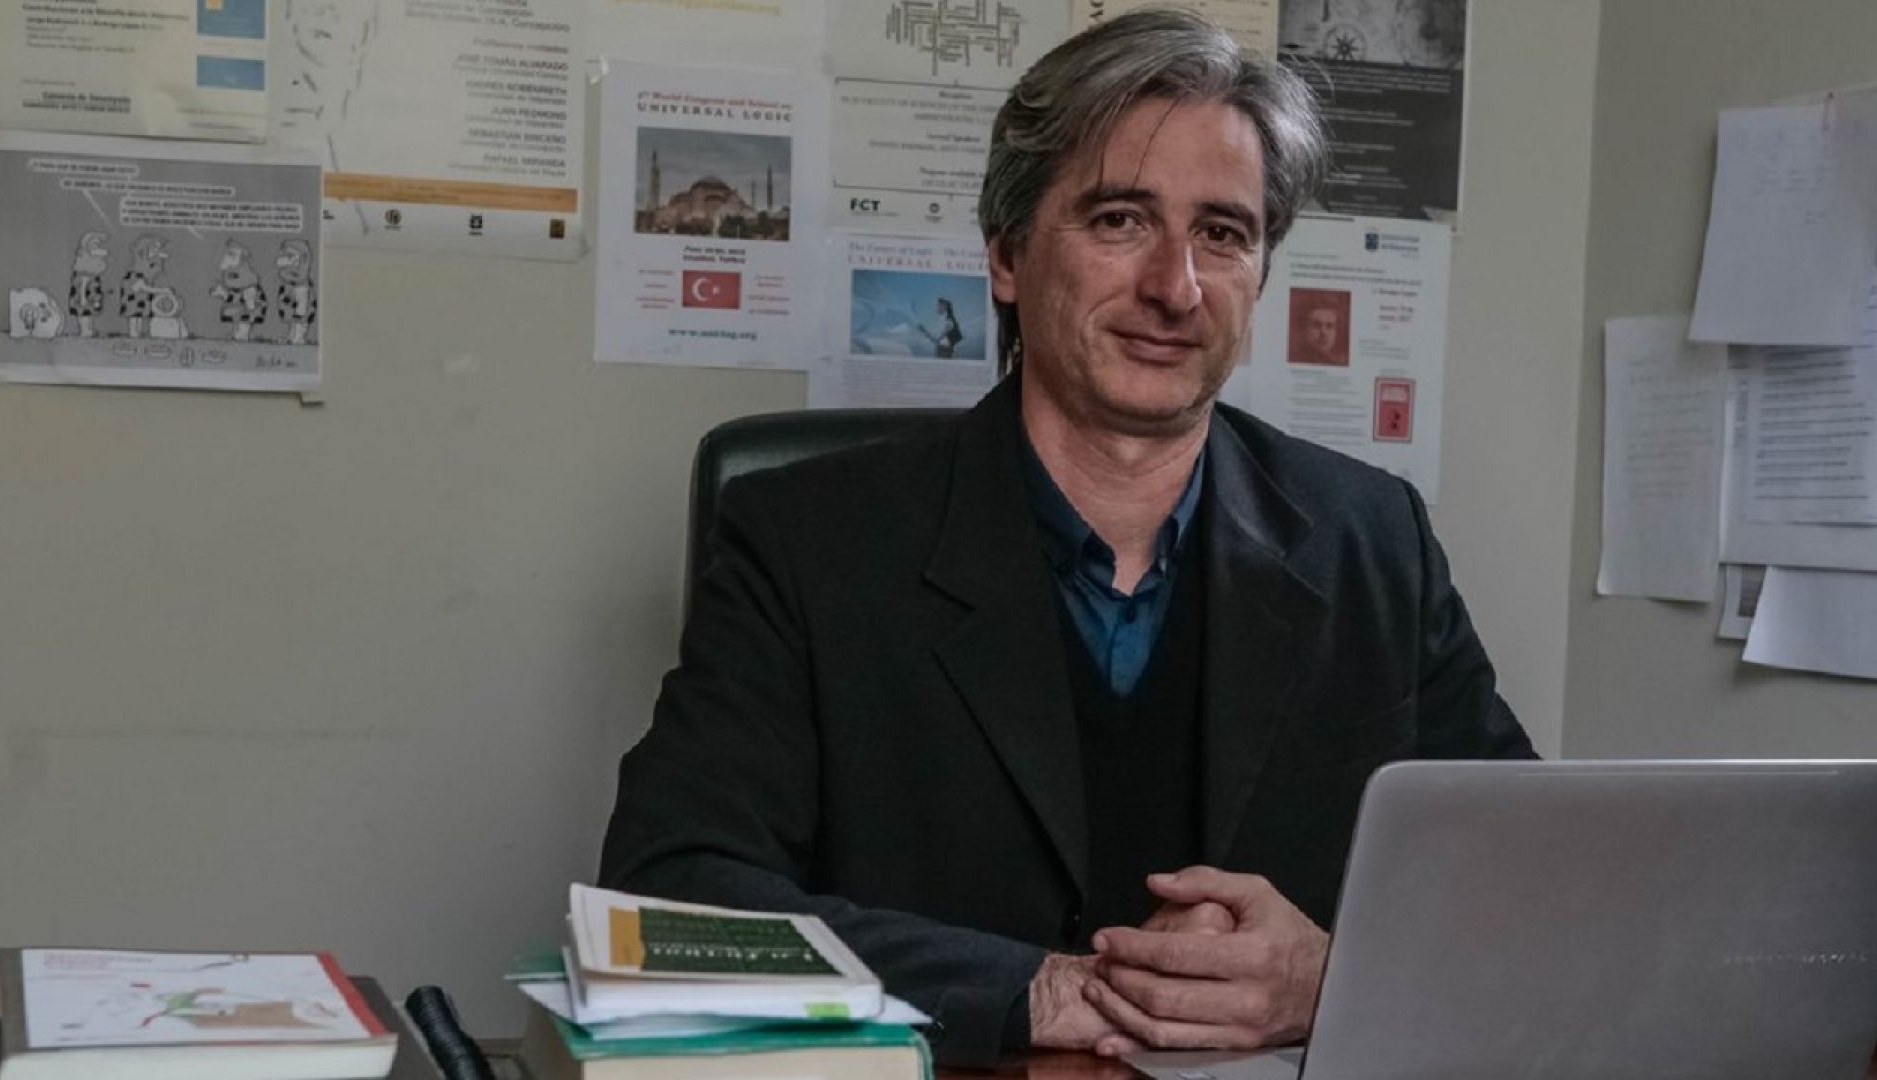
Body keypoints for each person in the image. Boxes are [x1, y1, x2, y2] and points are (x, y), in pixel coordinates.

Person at [600, 7, 1533, 1069]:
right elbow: (670, 895)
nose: (1175, 288)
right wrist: (1038, 990)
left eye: (1223, 235)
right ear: (1006, 255)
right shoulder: (808, 542)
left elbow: (1528, 879)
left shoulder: (1370, 540)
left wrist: (1334, 974)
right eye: (1121, 220)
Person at [1292, 299, 1346, 365]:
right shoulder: (1295, 360)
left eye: (1329, 326)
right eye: (1317, 325)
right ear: (1305, 329)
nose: (1323, 332)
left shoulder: (1341, 361)